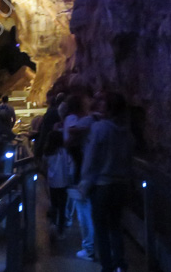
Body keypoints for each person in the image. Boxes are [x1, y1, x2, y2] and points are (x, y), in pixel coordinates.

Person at [79, 92, 133, 272]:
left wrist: (85, 181)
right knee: (116, 225)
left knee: (101, 227)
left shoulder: (100, 128)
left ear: (107, 107)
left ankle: (107, 266)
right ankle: (120, 264)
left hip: (102, 185)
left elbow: (91, 157)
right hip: (121, 184)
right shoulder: (126, 131)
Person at [64, 94, 95, 261]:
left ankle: (90, 247)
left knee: (86, 210)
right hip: (83, 170)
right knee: (86, 210)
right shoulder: (79, 120)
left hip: (82, 170)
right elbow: (70, 136)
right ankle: (90, 247)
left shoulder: (83, 120)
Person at [44, 129, 72, 240]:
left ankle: (53, 225)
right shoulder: (65, 151)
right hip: (64, 181)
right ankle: (61, 229)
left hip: (52, 181)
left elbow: (44, 165)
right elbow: (70, 164)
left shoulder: (48, 152)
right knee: (62, 206)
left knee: (54, 204)